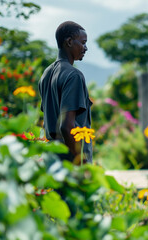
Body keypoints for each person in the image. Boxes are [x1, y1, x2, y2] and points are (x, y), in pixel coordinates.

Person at [38, 21, 92, 164]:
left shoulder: (46, 74)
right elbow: (66, 126)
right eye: (83, 42)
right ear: (69, 42)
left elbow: (47, 121)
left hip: (52, 159)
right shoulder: (74, 75)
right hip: (70, 161)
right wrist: (80, 161)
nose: (85, 48)